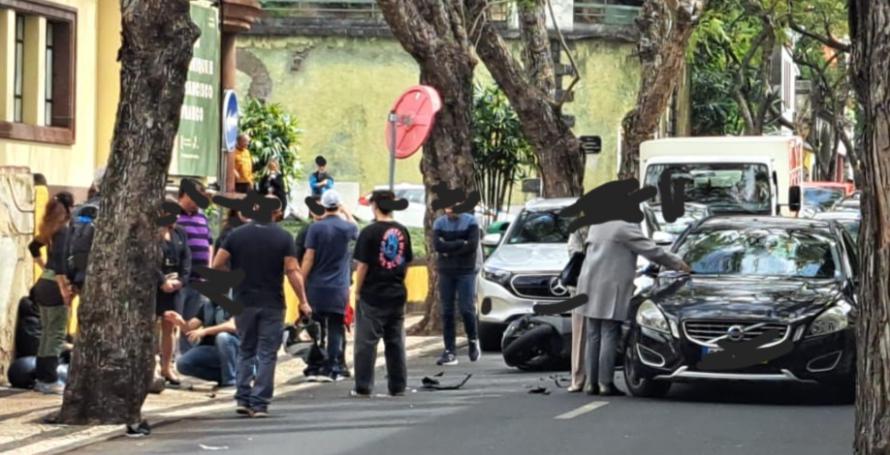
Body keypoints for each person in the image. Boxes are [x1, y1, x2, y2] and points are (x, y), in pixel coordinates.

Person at [213, 195, 311, 417]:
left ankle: (243, 398)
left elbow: (217, 263)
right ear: (275, 213)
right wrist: (303, 301)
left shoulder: (236, 235)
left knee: (245, 350)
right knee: (267, 353)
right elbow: (292, 271)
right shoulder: (283, 237)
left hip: (243, 301)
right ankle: (259, 403)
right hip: (273, 303)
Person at [576, 219, 690, 396]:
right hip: (610, 286)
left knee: (593, 334)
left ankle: (591, 383)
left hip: (588, 283)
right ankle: (605, 383)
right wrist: (678, 263)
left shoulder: (597, 224)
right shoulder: (624, 227)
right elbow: (652, 251)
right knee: (609, 331)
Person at [351, 190, 413, 398]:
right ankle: (398, 386)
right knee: (395, 342)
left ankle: (363, 386)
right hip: (396, 292)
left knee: (366, 344)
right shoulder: (402, 231)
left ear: (375, 205)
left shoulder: (369, 233)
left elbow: (363, 266)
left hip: (373, 294)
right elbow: (406, 263)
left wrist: (357, 291)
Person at [300, 190, 358, 382]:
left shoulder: (315, 228)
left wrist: (301, 278)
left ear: (323, 206)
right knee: (335, 327)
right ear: (338, 205)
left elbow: (309, 257)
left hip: (316, 286)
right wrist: (346, 211)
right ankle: (333, 366)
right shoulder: (347, 228)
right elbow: (355, 227)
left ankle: (316, 364)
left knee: (316, 327)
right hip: (339, 287)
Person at [27, 191, 74, 394]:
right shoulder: (63, 230)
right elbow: (60, 263)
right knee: (55, 335)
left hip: (43, 284)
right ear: (69, 208)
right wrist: (65, 290)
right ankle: (49, 380)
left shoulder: (49, 228)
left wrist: (42, 265)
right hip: (55, 285)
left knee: (46, 333)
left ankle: (41, 378)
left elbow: (33, 246)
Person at [433, 203, 481, 366]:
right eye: (447, 207)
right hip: (446, 271)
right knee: (447, 311)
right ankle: (449, 349)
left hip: (465, 270)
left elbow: (472, 246)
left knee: (466, 308)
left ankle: (473, 339)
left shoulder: (471, 222)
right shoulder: (439, 223)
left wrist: (450, 249)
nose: (449, 211)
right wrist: (461, 243)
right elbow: (438, 246)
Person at [175, 180, 214, 354]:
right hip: (180, 279)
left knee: (192, 320)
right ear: (183, 195)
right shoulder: (174, 217)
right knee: (175, 320)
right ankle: (169, 357)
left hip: (200, 279)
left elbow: (209, 244)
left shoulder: (202, 217)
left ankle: (187, 354)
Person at [165, 301, 239, 389]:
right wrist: (179, 321)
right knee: (183, 364)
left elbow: (232, 325)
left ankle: (230, 382)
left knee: (222, 337)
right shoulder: (207, 306)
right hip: (211, 349)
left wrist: (205, 331)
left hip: (236, 348)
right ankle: (227, 376)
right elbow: (189, 329)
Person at [156, 209, 191, 387]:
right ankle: (150, 366)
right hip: (155, 284)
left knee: (170, 327)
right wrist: (161, 281)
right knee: (150, 325)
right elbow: (148, 260)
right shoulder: (152, 233)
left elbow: (186, 258)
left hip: (175, 283)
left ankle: (167, 366)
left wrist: (181, 281)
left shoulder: (180, 232)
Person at [566, 225, 589, 393]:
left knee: (586, 333)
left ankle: (584, 378)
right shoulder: (582, 229)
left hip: (591, 283)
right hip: (582, 284)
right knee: (582, 332)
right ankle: (579, 377)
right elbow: (576, 253)